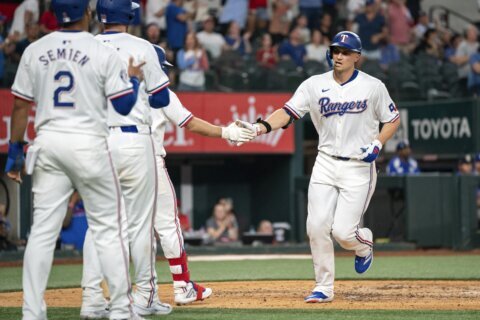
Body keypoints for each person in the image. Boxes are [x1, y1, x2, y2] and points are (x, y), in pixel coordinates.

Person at [80, 0, 233, 317]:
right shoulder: (148, 65)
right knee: (162, 224)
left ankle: (95, 297)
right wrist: (225, 133)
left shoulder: (89, 49)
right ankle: (172, 288)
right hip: (141, 151)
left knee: (104, 226)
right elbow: (189, 121)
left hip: (99, 143)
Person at [237, 31, 400, 303]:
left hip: (359, 165)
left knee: (344, 232)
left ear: (357, 57)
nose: (339, 55)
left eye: (346, 52)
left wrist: (378, 143)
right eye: (336, 50)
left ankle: (364, 244)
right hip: (325, 162)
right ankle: (324, 286)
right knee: (316, 226)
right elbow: (288, 113)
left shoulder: (373, 86)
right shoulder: (314, 84)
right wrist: (260, 127)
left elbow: (392, 119)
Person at [5, 0, 145, 318]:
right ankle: (122, 310)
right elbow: (123, 106)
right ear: (87, 13)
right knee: (108, 229)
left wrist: (15, 152)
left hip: (49, 143)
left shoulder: (35, 50)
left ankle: (32, 312)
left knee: (41, 232)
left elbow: (20, 107)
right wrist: (134, 79)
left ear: (54, 14)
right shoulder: (101, 50)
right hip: (89, 144)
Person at [150, 49, 252, 303]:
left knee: (123, 230)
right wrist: (227, 133)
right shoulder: (161, 92)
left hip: (112, 161)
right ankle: (182, 286)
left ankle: (122, 293)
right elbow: (190, 123)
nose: (165, 72)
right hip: (147, 161)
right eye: (161, 67)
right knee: (167, 226)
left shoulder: (113, 88)